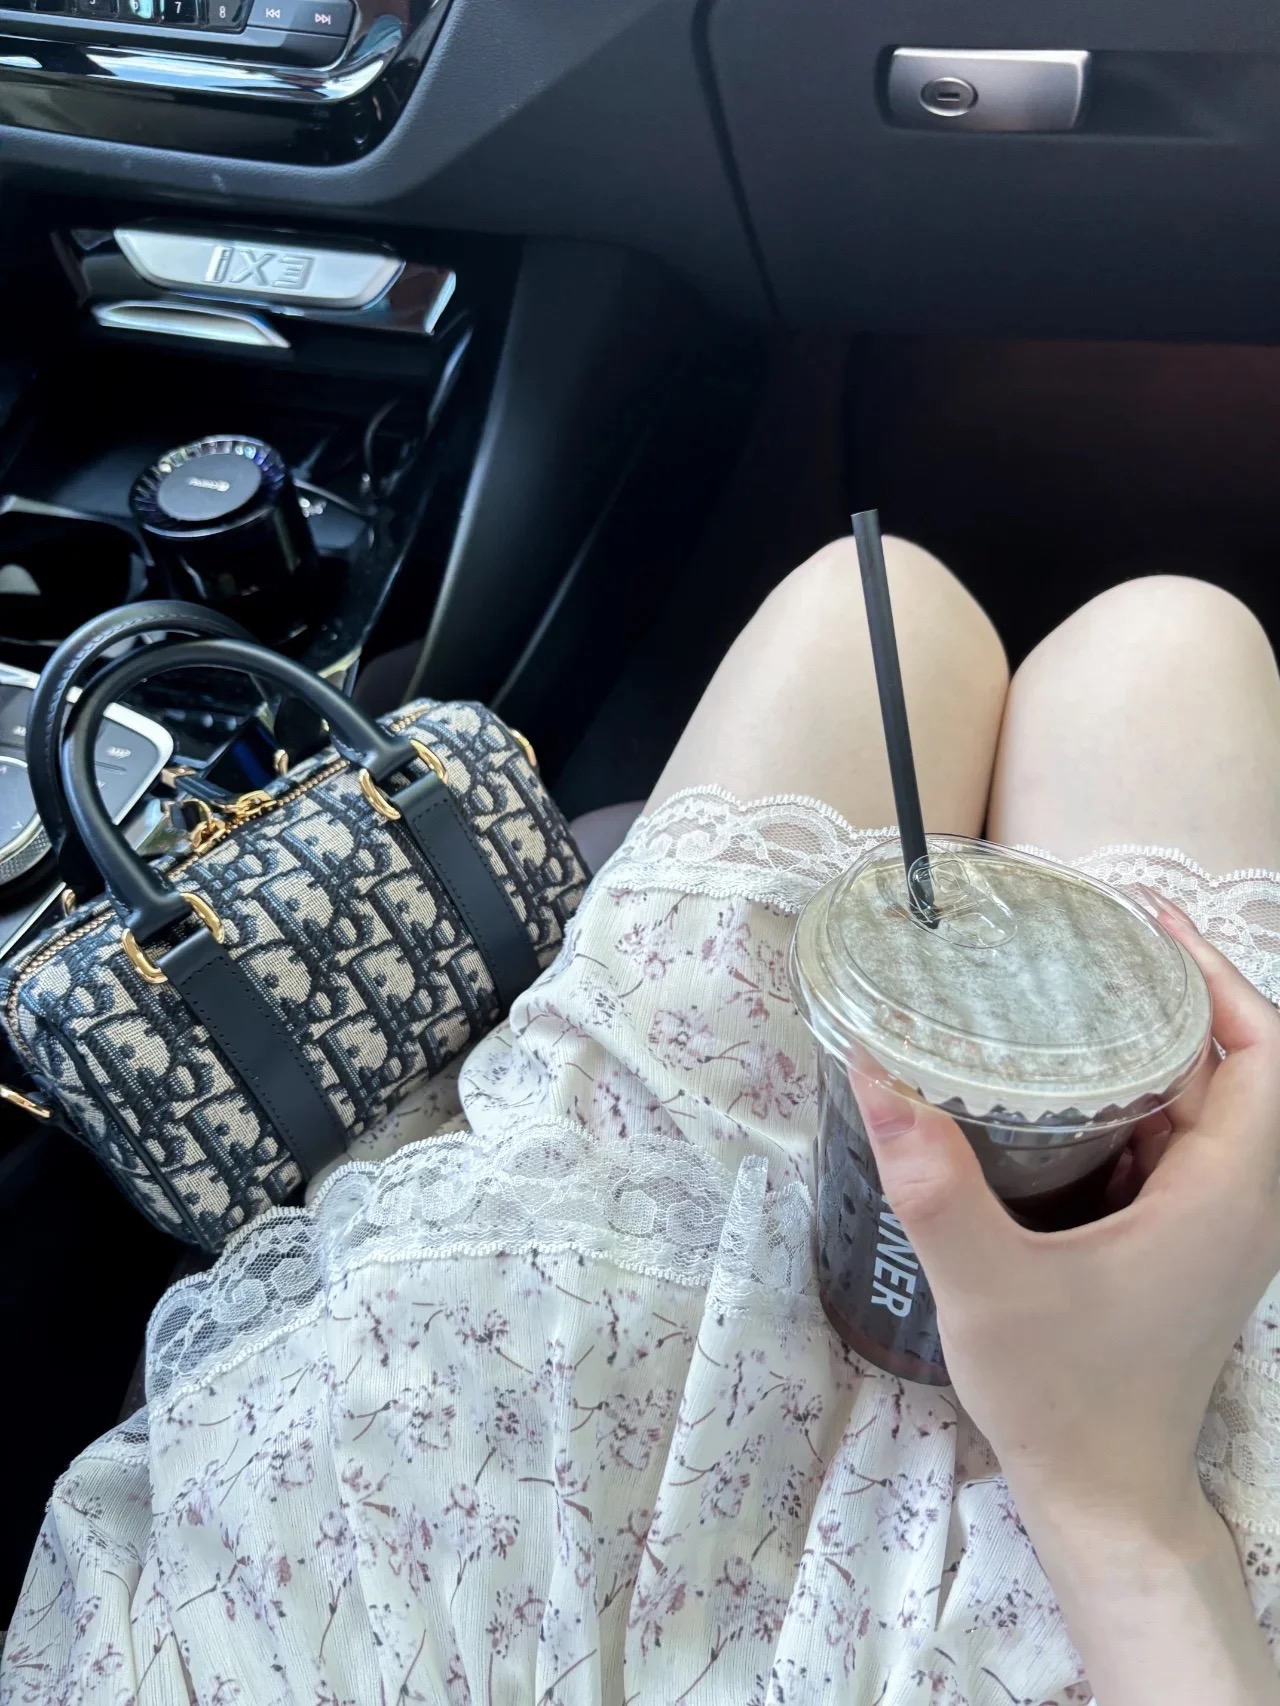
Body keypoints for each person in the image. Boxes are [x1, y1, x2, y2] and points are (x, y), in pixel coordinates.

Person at [4, 539, 1280, 1705]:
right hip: (1115, 1579)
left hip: (469, 1511)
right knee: (1162, 638)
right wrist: (1124, 1515)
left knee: (881, 604)